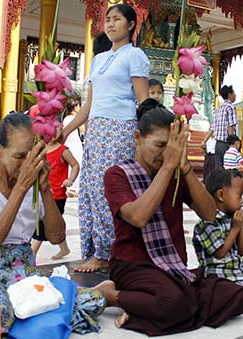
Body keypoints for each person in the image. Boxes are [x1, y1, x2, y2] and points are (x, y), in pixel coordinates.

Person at [0, 113, 117, 339]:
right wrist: (21, 188)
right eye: (19, 156)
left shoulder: (37, 184)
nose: (27, 163)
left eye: (32, 155)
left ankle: (3, 300)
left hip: (21, 268)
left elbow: (56, 237)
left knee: (89, 303)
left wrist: (45, 190)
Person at [103, 99, 243, 336]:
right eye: (160, 145)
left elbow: (209, 213)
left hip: (172, 266)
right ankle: (112, 296)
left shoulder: (176, 173)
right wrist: (168, 166)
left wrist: (184, 168)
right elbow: (139, 217)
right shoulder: (117, 175)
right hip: (133, 265)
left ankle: (146, 309)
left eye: (171, 148)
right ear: (138, 138)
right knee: (173, 302)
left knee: (238, 295)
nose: (165, 154)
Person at [59, 4, 150, 272]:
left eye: (117, 20)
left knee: (108, 188)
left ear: (131, 25)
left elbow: (142, 100)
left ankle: (107, 251)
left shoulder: (135, 56)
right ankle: (93, 249)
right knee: (89, 188)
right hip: (96, 129)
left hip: (121, 127)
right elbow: (89, 103)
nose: (110, 25)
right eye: (107, 20)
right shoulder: (98, 59)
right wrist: (66, 129)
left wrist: (147, 136)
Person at [193, 169, 243, 303]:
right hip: (217, 272)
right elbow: (220, 253)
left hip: (236, 269)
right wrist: (235, 228)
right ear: (221, 195)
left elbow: (242, 251)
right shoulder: (207, 222)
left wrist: (240, 228)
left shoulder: (234, 219)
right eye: (239, 195)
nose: (242, 201)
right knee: (238, 293)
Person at [31, 138, 80, 260]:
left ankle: (31, 254)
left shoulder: (63, 150)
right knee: (53, 223)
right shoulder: (39, 148)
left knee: (42, 224)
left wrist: (70, 180)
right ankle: (64, 249)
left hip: (57, 196)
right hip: (42, 192)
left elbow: (75, 165)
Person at [204, 85, 238, 169]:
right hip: (226, 144)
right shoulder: (230, 108)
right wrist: (232, 143)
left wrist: (204, 141)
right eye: (234, 93)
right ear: (229, 95)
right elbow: (230, 126)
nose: (235, 95)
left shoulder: (218, 109)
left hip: (218, 144)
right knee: (228, 169)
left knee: (218, 168)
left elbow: (212, 128)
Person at [62, 98, 82, 194]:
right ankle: (73, 187)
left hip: (68, 143)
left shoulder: (65, 119)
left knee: (70, 165)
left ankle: (69, 187)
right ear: (74, 108)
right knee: (77, 163)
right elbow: (83, 129)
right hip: (75, 143)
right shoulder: (75, 118)